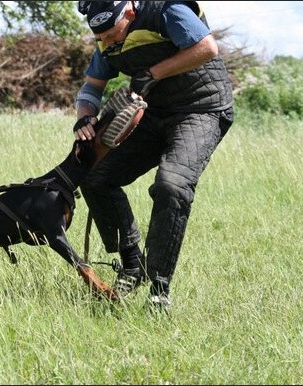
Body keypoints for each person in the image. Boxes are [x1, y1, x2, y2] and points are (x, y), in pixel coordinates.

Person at [74, 1, 234, 309]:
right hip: (155, 114)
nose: (107, 42)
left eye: (112, 35)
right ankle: (133, 265)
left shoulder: (166, 10)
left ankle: (159, 290)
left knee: (171, 186)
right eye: (102, 37)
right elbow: (91, 87)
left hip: (202, 109)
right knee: (95, 178)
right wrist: (84, 116)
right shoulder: (107, 39)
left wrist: (153, 73)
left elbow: (206, 47)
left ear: (130, 14)